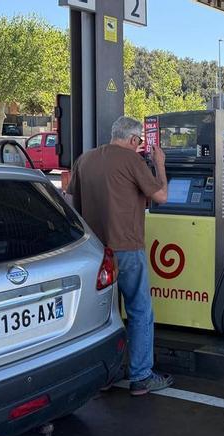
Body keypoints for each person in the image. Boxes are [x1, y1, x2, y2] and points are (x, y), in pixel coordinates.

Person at [67, 116, 174, 397]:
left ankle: (107, 373)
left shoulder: (85, 160)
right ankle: (141, 375)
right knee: (139, 310)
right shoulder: (133, 161)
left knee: (106, 313)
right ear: (134, 140)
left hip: (96, 253)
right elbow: (161, 196)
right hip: (127, 249)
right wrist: (160, 164)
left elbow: (70, 202)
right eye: (139, 142)